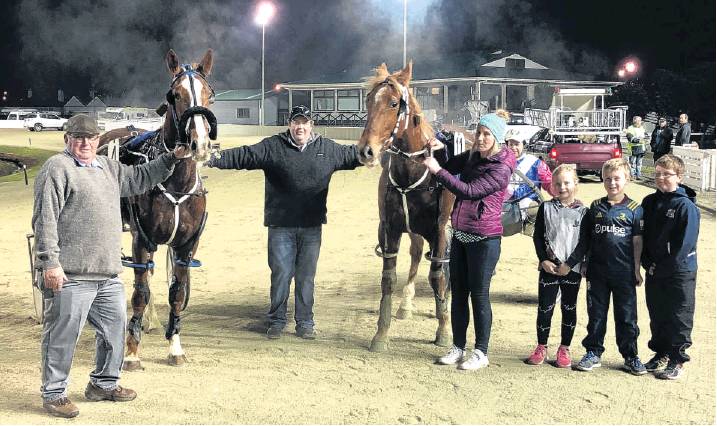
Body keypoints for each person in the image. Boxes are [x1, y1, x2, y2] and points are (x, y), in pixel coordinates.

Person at [33, 114, 184, 418]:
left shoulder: (108, 168)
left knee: (115, 333)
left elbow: (141, 177)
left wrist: (172, 158)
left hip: (107, 274)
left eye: (91, 138)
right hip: (70, 274)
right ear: (67, 140)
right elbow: (44, 219)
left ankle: (103, 383)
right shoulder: (57, 169)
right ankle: (54, 393)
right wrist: (49, 263)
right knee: (61, 336)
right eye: (79, 137)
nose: (86, 143)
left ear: (98, 140)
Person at [205, 105, 362, 340]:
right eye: (296, 122)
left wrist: (379, 150)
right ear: (290, 125)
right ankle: (277, 320)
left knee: (306, 276)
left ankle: (305, 322)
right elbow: (245, 155)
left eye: (304, 122)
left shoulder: (327, 149)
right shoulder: (273, 146)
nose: (300, 127)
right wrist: (214, 158)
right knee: (281, 274)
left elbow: (355, 154)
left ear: (311, 125)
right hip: (281, 226)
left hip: (311, 226)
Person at [423, 113, 516, 370]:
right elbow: (451, 167)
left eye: (488, 134)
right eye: (480, 133)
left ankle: (481, 351)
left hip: (485, 239)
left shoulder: (500, 168)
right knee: (459, 294)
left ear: (497, 138)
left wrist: (438, 170)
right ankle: (458, 346)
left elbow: (469, 191)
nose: (482, 138)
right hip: (461, 234)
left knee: (479, 295)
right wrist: (440, 152)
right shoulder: (474, 155)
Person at [576, 158, 647, 375]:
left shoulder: (635, 209)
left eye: (617, 179)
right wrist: (586, 262)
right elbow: (587, 238)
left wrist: (636, 269)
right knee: (596, 314)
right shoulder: (595, 207)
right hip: (597, 272)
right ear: (602, 180)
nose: (612, 183)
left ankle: (630, 356)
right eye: (607, 179)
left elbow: (637, 240)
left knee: (626, 316)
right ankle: (593, 352)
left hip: (623, 272)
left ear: (627, 179)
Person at [641, 154, 700, 380]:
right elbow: (643, 237)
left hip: (679, 272)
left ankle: (677, 358)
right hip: (655, 270)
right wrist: (648, 264)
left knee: (679, 315)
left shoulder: (686, 207)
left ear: (679, 177)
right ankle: (661, 353)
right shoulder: (649, 202)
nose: (661, 178)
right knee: (658, 313)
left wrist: (663, 268)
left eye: (667, 174)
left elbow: (684, 245)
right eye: (657, 173)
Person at [526, 164, 589, 368]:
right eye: (558, 184)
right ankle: (541, 345)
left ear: (576, 184)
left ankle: (564, 348)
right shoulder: (545, 208)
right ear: (552, 186)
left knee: (568, 308)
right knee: (545, 307)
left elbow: (585, 243)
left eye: (567, 183)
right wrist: (543, 259)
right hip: (549, 268)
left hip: (571, 269)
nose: (562, 187)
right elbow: (538, 236)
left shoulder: (583, 212)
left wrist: (570, 264)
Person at [504, 129, 556, 235]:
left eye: (517, 144)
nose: (513, 148)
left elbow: (549, 183)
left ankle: (530, 223)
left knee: (532, 207)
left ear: (523, 144)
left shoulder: (535, 163)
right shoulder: (499, 163)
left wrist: (558, 196)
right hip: (504, 204)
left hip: (526, 204)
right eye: (511, 144)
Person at [625, 116, 648, 180]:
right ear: (634, 121)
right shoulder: (630, 128)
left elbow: (646, 136)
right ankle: (632, 175)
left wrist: (646, 141)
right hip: (633, 148)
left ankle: (638, 175)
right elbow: (630, 137)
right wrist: (638, 140)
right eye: (638, 121)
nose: (640, 122)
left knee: (639, 163)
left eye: (640, 121)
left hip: (641, 148)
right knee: (632, 162)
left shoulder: (642, 128)